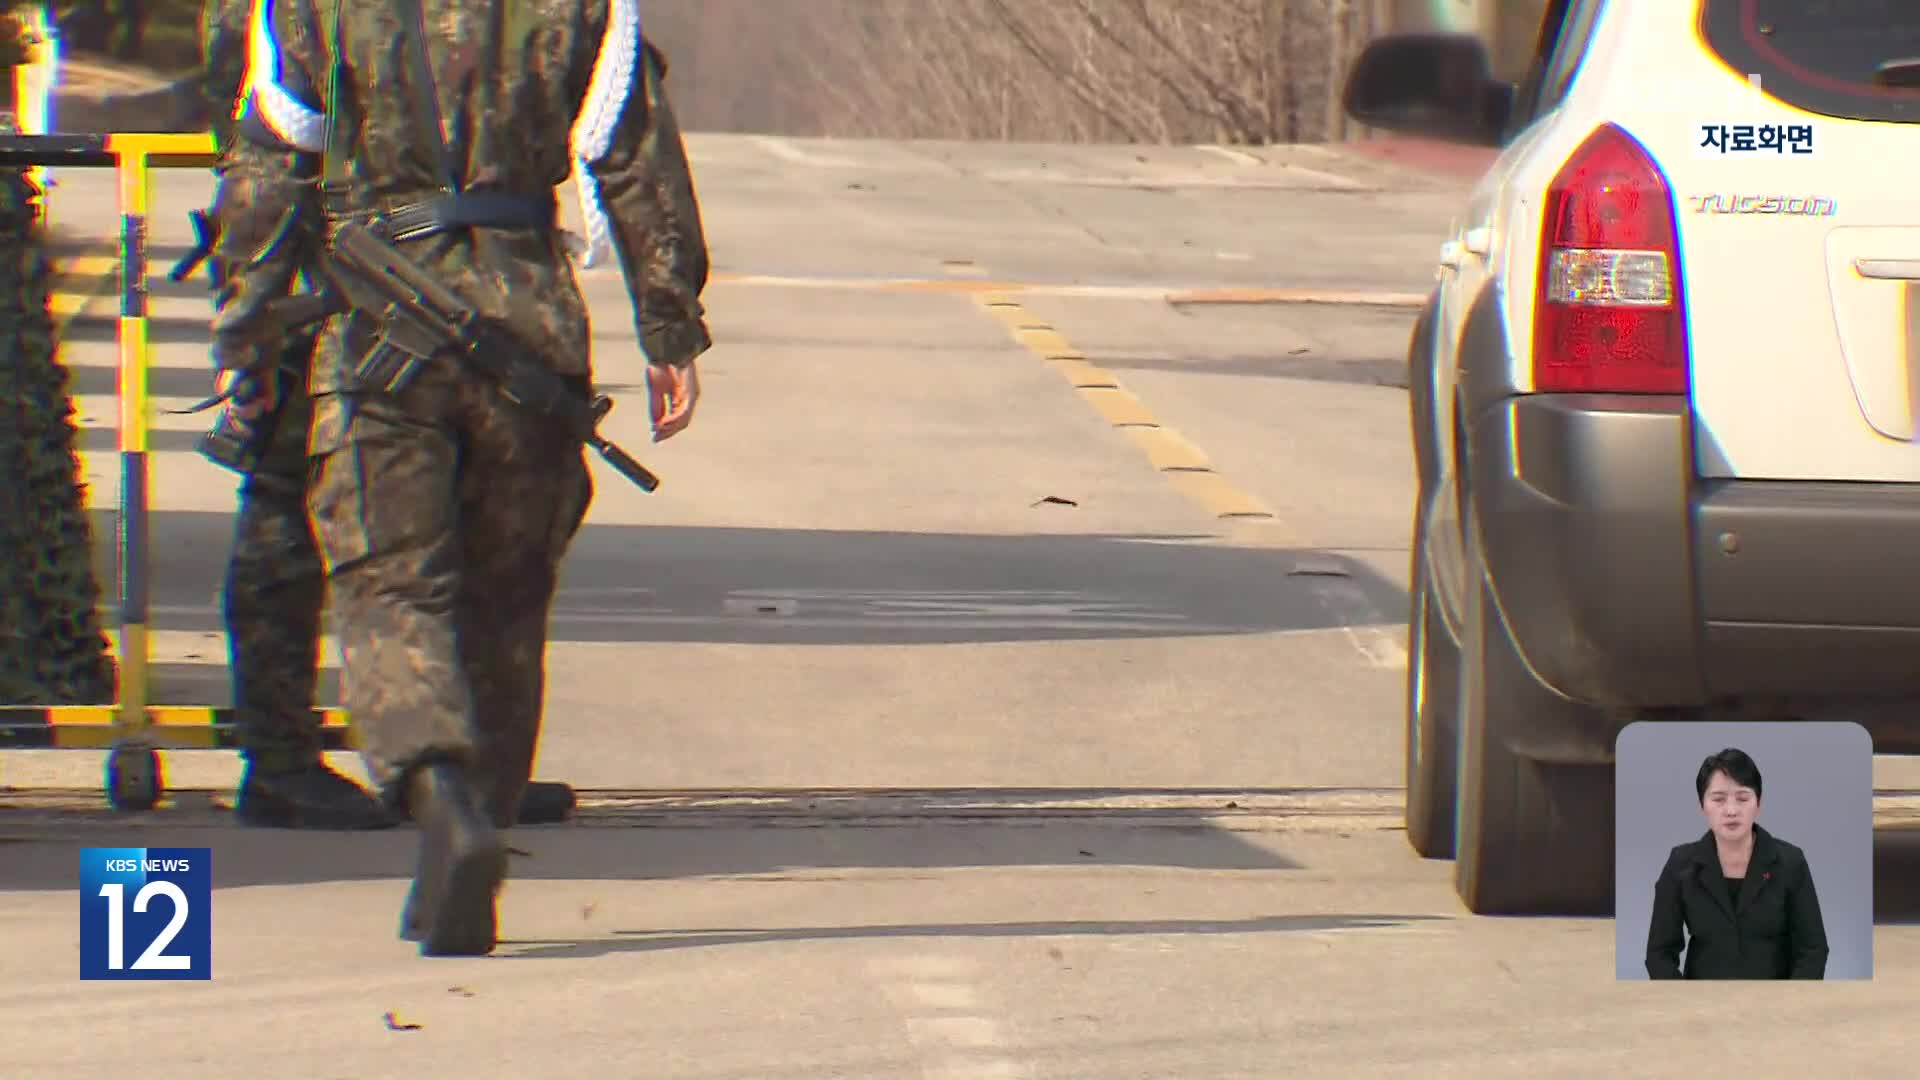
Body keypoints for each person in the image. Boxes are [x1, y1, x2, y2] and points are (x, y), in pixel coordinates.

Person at [210, 0, 709, 955]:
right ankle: (481, 815)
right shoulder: (586, 8)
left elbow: (273, 162)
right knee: (505, 603)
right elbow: (635, 157)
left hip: (377, 320)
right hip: (529, 326)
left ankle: (442, 804)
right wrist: (670, 327)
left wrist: (246, 325)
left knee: (391, 586)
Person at [192, 0, 580, 831]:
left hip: (407, 266)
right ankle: (280, 756)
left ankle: (460, 761)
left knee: (449, 514)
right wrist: (255, 309)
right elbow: (255, 113)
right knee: (293, 509)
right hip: (323, 259)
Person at [1644, 748, 1829, 979]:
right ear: (1702, 806)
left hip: (1775, 1006)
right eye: (1718, 799)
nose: (1731, 810)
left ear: (1758, 804)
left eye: (1742, 798)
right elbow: (1659, 953)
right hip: (1700, 1006)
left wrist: (1789, 1005)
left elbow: (1813, 950)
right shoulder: (1680, 864)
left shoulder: (1790, 862)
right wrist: (1684, 1006)